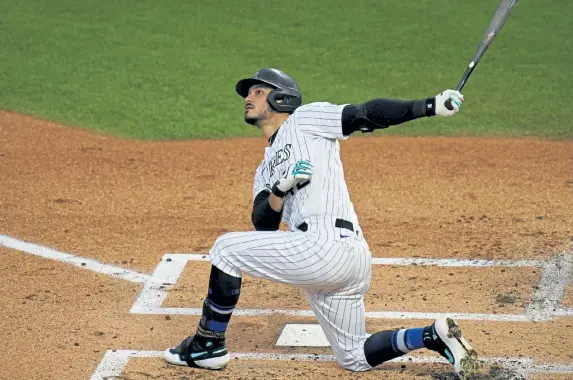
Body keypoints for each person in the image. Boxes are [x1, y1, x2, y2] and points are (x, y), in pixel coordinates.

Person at [164, 68, 478, 378]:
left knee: (225, 249)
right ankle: (431, 336)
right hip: (342, 261)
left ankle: (207, 344)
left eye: (257, 91)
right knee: (354, 356)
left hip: (324, 246)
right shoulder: (265, 169)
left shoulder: (304, 120)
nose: (248, 97)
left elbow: (364, 114)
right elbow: (263, 224)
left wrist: (429, 106)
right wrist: (280, 188)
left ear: (281, 97)